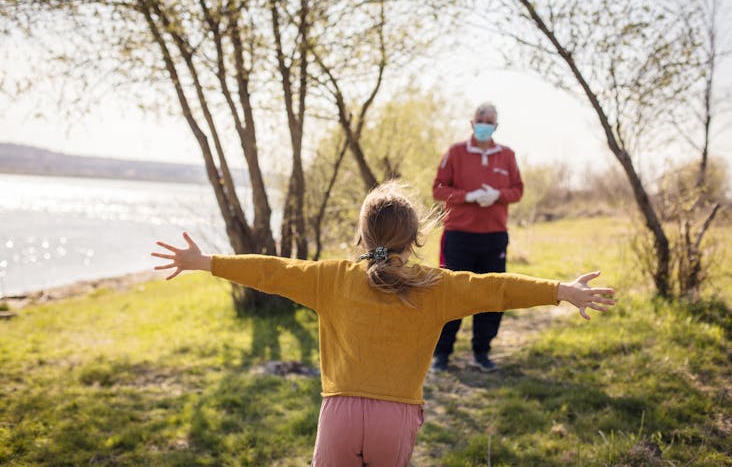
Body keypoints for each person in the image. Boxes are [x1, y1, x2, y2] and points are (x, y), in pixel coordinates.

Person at [151, 181, 615, 466]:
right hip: (397, 417)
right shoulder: (439, 284)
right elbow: (498, 288)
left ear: (361, 236)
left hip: (340, 414)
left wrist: (205, 261)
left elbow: (270, 271)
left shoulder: (330, 278)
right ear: (415, 238)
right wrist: (561, 290)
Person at [431, 102, 523, 373]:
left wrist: (497, 195)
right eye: (480, 119)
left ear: (496, 125)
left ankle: (482, 353)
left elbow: (517, 190)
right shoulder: (456, 153)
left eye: (489, 120)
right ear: (472, 123)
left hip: (494, 236)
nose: (484, 123)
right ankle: (442, 354)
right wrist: (467, 197)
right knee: (452, 293)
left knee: (492, 294)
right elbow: (438, 189)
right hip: (458, 236)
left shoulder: (507, 155)